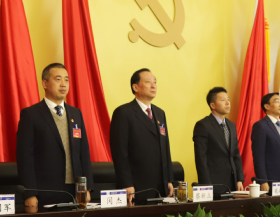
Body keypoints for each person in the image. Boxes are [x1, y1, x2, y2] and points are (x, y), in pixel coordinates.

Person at [16, 63, 94, 209]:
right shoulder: (31, 114)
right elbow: (25, 157)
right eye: (58, 79)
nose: (63, 84)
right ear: (45, 83)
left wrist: (87, 187)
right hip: (45, 191)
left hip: (76, 191)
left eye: (66, 80)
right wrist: (29, 193)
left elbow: (83, 152)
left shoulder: (76, 113)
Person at [110, 68, 174, 205]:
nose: (153, 86)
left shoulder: (160, 113)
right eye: (148, 82)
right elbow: (119, 152)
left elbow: (165, 148)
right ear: (135, 87)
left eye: (155, 82)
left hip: (160, 186)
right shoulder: (123, 113)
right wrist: (126, 183)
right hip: (136, 187)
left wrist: (168, 180)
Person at [193, 87, 244, 198]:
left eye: (228, 99)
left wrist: (239, 179)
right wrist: (206, 186)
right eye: (223, 100)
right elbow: (201, 158)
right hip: (214, 184)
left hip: (233, 183)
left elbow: (236, 154)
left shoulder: (231, 125)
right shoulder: (203, 125)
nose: (228, 103)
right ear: (213, 105)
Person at [250, 93, 280, 192]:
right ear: (267, 106)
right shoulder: (261, 126)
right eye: (277, 101)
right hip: (271, 179)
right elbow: (258, 156)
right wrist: (263, 180)